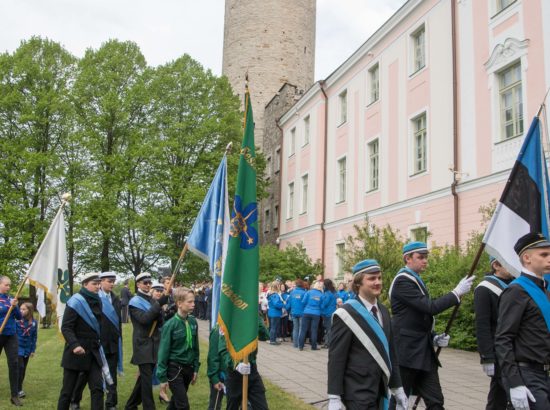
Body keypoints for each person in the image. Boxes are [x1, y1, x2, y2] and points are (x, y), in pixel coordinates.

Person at [388, 241, 474, 410]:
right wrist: (456, 293)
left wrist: (434, 337)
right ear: (407, 259)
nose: (425, 261)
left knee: (435, 401)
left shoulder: (415, 279)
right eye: (420, 257)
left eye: (426, 257)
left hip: (422, 352)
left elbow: (418, 318)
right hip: (407, 352)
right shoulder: (402, 281)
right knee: (400, 400)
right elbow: (429, 307)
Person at [328, 259, 408, 410]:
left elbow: (391, 352)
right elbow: (336, 358)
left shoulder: (383, 311)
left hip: (381, 390)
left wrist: (398, 388)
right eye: (371, 278)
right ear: (358, 283)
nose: (377, 282)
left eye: (379, 277)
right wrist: (334, 396)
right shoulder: (346, 314)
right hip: (357, 392)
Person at [495, 232, 550, 410]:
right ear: (527, 258)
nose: (549, 258)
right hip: (528, 374)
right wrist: (514, 383)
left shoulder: (544, 289)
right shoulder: (517, 291)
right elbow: (503, 339)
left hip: (544, 373)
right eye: (544, 254)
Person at [57, 272, 112, 410]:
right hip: (76, 352)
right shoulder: (75, 301)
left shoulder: (98, 300)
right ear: (84, 284)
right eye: (94, 284)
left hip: (93, 351)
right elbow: (66, 327)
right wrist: (75, 345)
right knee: (67, 391)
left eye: (99, 283)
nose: (97, 286)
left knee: (98, 389)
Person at [474, 256, 514, 409]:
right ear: (496, 265)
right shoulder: (484, 288)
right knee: (513, 395)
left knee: (498, 396)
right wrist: (487, 357)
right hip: (498, 352)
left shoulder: (514, 284)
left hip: (513, 349)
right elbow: (482, 325)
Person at [124, 272, 163, 410]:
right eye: (145, 283)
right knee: (146, 381)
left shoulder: (152, 300)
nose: (148, 285)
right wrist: (158, 306)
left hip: (154, 344)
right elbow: (145, 320)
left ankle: (130, 405)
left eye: (149, 283)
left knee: (143, 380)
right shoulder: (134, 302)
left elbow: (160, 322)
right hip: (143, 344)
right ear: (138, 284)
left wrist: (166, 310)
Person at [156, 287, 200, 410]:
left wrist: (195, 368)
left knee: (176, 402)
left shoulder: (192, 322)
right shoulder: (170, 325)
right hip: (174, 369)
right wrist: (162, 377)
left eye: (194, 301)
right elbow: (163, 352)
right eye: (189, 302)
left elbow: (195, 347)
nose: (193, 304)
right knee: (183, 405)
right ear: (179, 303)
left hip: (188, 368)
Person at [219, 315, 270, 410]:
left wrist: (255, 317)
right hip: (235, 373)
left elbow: (265, 335)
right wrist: (236, 365)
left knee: (262, 406)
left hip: (251, 370)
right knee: (232, 406)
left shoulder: (252, 313)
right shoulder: (229, 315)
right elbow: (223, 350)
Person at [0, 275, 22, 406]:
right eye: (6, 285)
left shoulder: (10, 299)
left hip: (11, 335)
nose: (8, 287)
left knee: (14, 363)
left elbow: (19, 317)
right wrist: (9, 307)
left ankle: (14, 395)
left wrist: (15, 306)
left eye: (9, 285)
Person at [16, 302, 37, 400]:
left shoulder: (34, 323)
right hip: (18, 347)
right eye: (20, 309)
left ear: (30, 310)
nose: (21, 311)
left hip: (27, 349)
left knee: (23, 369)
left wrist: (33, 350)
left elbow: (34, 337)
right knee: (20, 367)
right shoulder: (17, 321)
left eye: (24, 309)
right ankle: (18, 389)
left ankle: (18, 386)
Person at [298, 280, 324, 351]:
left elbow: (303, 302)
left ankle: (300, 346)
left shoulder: (308, 292)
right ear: (321, 287)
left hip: (306, 312)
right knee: (314, 330)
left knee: (303, 329)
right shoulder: (321, 295)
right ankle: (313, 346)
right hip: (316, 313)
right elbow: (322, 306)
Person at [207, 324, 226, 410]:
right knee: (215, 405)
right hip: (220, 375)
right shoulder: (217, 330)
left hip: (235, 375)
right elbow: (213, 357)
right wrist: (215, 378)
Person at [287, 279, 306, 348]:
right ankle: (300, 344)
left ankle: (295, 344)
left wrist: (287, 309)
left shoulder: (292, 292)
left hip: (294, 313)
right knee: (301, 329)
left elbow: (289, 304)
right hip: (302, 313)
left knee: (295, 328)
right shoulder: (304, 293)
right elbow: (305, 303)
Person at [321, 279, 337, 349]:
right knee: (329, 328)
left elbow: (325, 303)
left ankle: (328, 343)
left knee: (328, 329)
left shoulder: (327, 293)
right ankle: (328, 343)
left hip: (327, 313)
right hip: (331, 312)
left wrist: (320, 305)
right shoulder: (333, 292)